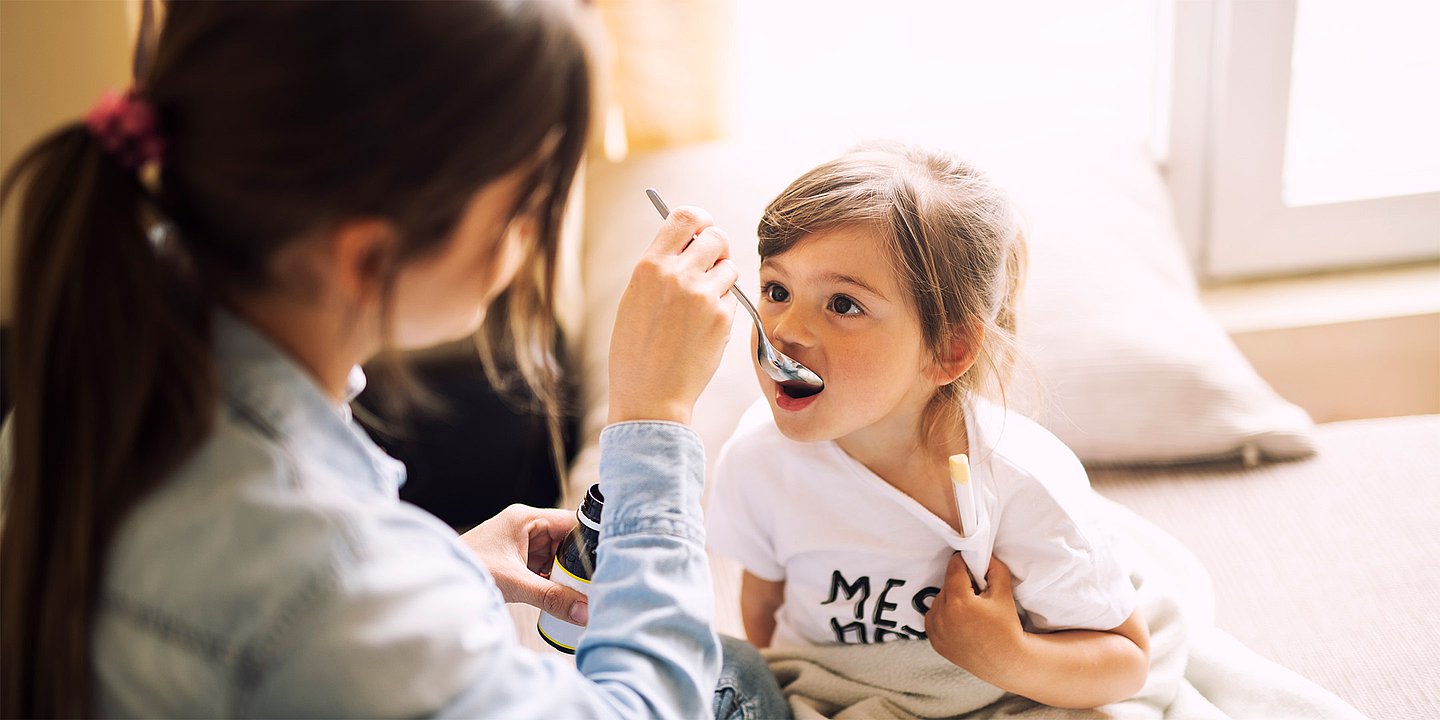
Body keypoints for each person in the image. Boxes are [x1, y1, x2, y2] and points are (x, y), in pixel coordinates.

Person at [0, 2, 788, 718]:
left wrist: (438, 566)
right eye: (524, 206)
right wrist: (653, 416)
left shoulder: (117, 337)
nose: (528, 241)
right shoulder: (323, 570)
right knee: (734, 684)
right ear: (368, 256)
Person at [706, 142, 1151, 709]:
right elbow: (763, 617)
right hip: (825, 692)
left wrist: (1007, 655)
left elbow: (1126, 663)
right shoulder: (756, 458)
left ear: (949, 350)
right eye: (776, 290)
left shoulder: (1025, 486)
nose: (785, 331)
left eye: (842, 304)